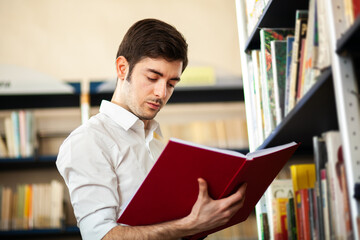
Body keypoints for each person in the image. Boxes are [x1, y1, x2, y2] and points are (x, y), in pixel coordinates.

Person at [56, 18, 247, 240]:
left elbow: (171, 225)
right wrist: (190, 225)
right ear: (122, 68)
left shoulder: (156, 139)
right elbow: (101, 236)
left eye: (171, 83)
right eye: (152, 77)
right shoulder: (87, 141)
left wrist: (206, 218)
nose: (161, 93)